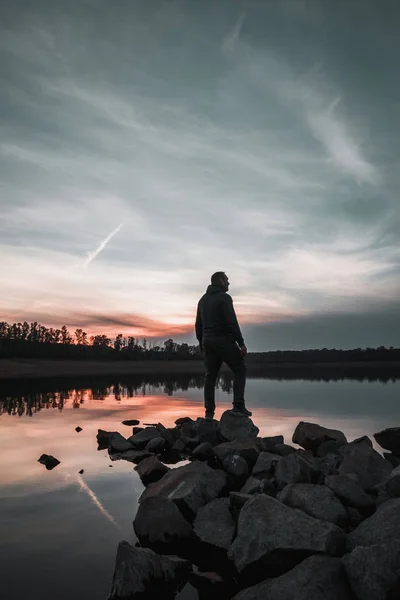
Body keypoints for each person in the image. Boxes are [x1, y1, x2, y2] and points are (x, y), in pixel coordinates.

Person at [195, 271, 251, 420]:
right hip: (223, 340)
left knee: (210, 377)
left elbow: (198, 325)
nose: (228, 283)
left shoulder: (202, 300)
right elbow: (232, 321)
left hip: (208, 341)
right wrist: (241, 343)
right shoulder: (225, 298)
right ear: (220, 280)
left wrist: (202, 343)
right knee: (240, 370)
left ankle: (209, 412)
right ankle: (238, 406)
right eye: (227, 280)